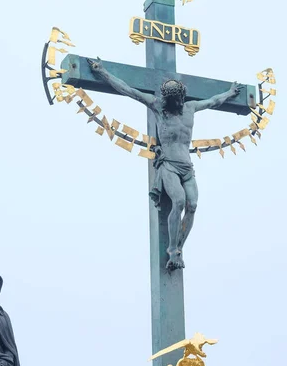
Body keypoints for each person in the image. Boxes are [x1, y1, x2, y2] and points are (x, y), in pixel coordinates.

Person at [87, 58, 241, 270]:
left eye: (179, 99)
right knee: (178, 201)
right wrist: (103, 73)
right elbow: (129, 90)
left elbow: (214, 101)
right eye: (173, 101)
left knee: (192, 205)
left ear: (182, 96)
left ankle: (179, 247)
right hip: (168, 164)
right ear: (166, 99)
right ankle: (172, 250)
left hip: (187, 166)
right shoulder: (159, 107)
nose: (177, 104)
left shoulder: (190, 108)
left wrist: (230, 93)